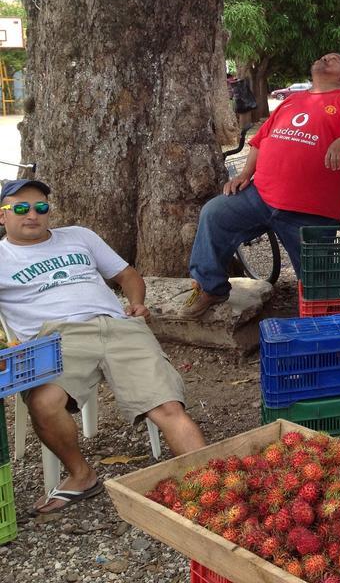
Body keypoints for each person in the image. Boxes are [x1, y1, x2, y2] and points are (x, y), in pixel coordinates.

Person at [0, 179, 205, 514]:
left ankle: (213, 489)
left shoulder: (79, 236)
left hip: (119, 327)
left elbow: (128, 277)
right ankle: (82, 475)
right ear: (2, 216)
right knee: (43, 401)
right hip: (56, 338)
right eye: (20, 208)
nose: (32, 215)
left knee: (168, 409)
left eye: (41, 207)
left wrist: (137, 304)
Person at [182, 52, 340, 317]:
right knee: (214, 214)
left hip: (312, 212)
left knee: (317, 286)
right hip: (260, 196)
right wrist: (244, 175)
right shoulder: (292, 100)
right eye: (322, 57)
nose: (325, 59)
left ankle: (319, 326)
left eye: (333, 59)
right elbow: (261, 140)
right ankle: (211, 287)